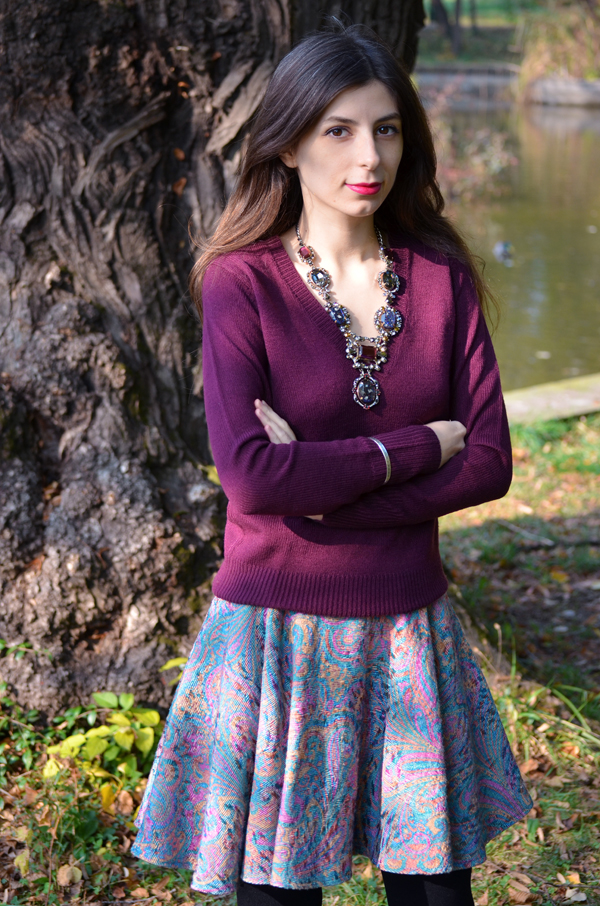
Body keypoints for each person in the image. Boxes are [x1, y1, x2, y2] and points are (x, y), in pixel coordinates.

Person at [132, 24, 532, 906]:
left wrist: (322, 490)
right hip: (275, 633)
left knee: (435, 895)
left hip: (407, 628)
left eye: (387, 129)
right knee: (279, 895)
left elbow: (490, 463)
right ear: (288, 143)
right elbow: (252, 477)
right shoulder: (241, 282)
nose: (369, 156)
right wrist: (414, 447)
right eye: (339, 130)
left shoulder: (440, 275)